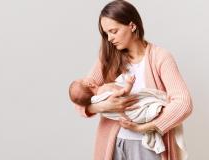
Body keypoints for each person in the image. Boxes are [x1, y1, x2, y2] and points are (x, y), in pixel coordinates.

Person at [69, 0, 193, 160]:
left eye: (113, 31)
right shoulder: (107, 58)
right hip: (113, 143)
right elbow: (79, 99)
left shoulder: (160, 57)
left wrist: (145, 127)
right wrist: (102, 105)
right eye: (106, 33)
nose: (110, 38)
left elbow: (184, 103)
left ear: (132, 26)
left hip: (148, 145)